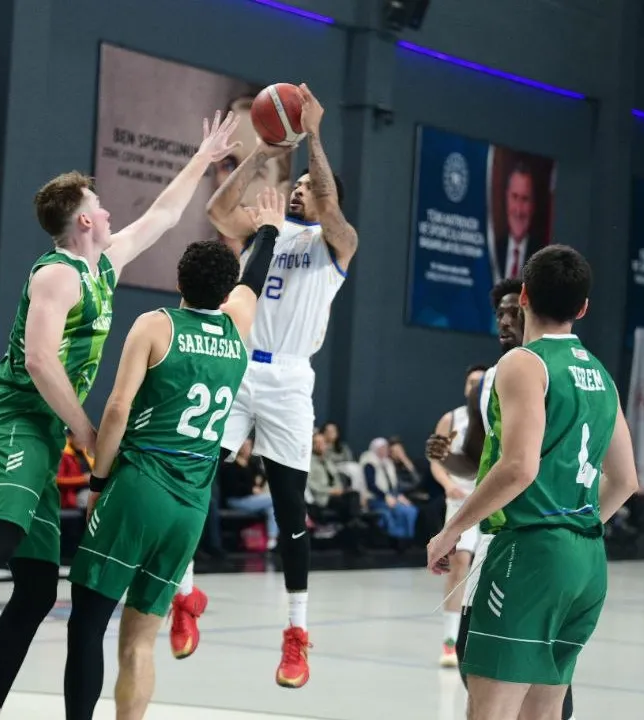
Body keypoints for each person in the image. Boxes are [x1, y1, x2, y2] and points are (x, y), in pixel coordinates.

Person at [0, 110, 242, 720]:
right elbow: (39, 359)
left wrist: (203, 159)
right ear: (83, 220)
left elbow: (161, 216)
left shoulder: (104, 264)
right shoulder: (56, 274)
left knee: (36, 590)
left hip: (46, 435)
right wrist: (87, 432)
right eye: (99, 205)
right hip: (14, 422)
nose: (109, 211)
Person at [62, 191, 280, 719]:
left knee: (87, 624)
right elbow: (253, 281)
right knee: (140, 641)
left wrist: (98, 482)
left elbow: (117, 409)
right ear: (226, 292)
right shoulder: (237, 327)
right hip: (191, 505)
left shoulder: (156, 325)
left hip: (141, 486)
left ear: (179, 283)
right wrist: (269, 231)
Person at [177, 83, 358, 689]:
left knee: (289, 507)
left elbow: (328, 200)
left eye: (308, 185)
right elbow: (217, 211)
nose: (300, 189)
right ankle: (185, 596)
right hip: (239, 365)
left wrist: (314, 136)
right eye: (296, 184)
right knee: (193, 473)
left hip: (289, 379)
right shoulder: (266, 233)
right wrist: (263, 148)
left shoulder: (336, 244)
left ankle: (296, 634)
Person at [426, 246, 640, 720]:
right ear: (583, 308)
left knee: (491, 710)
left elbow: (518, 467)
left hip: (530, 554)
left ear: (523, 296)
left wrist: (451, 529)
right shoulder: (601, 375)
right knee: (544, 713)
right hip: (587, 561)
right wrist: (573, 526)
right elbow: (626, 479)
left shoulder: (523, 362)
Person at [427, 362, 488, 667]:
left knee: (486, 570)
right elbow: (436, 460)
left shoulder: (498, 417)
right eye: (471, 382)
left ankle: (477, 637)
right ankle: (450, 641)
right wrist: (448, 485)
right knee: (459, 563)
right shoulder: (451, 419)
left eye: (480, 382)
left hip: (491, 500)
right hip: (460, 501)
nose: (474, 387)